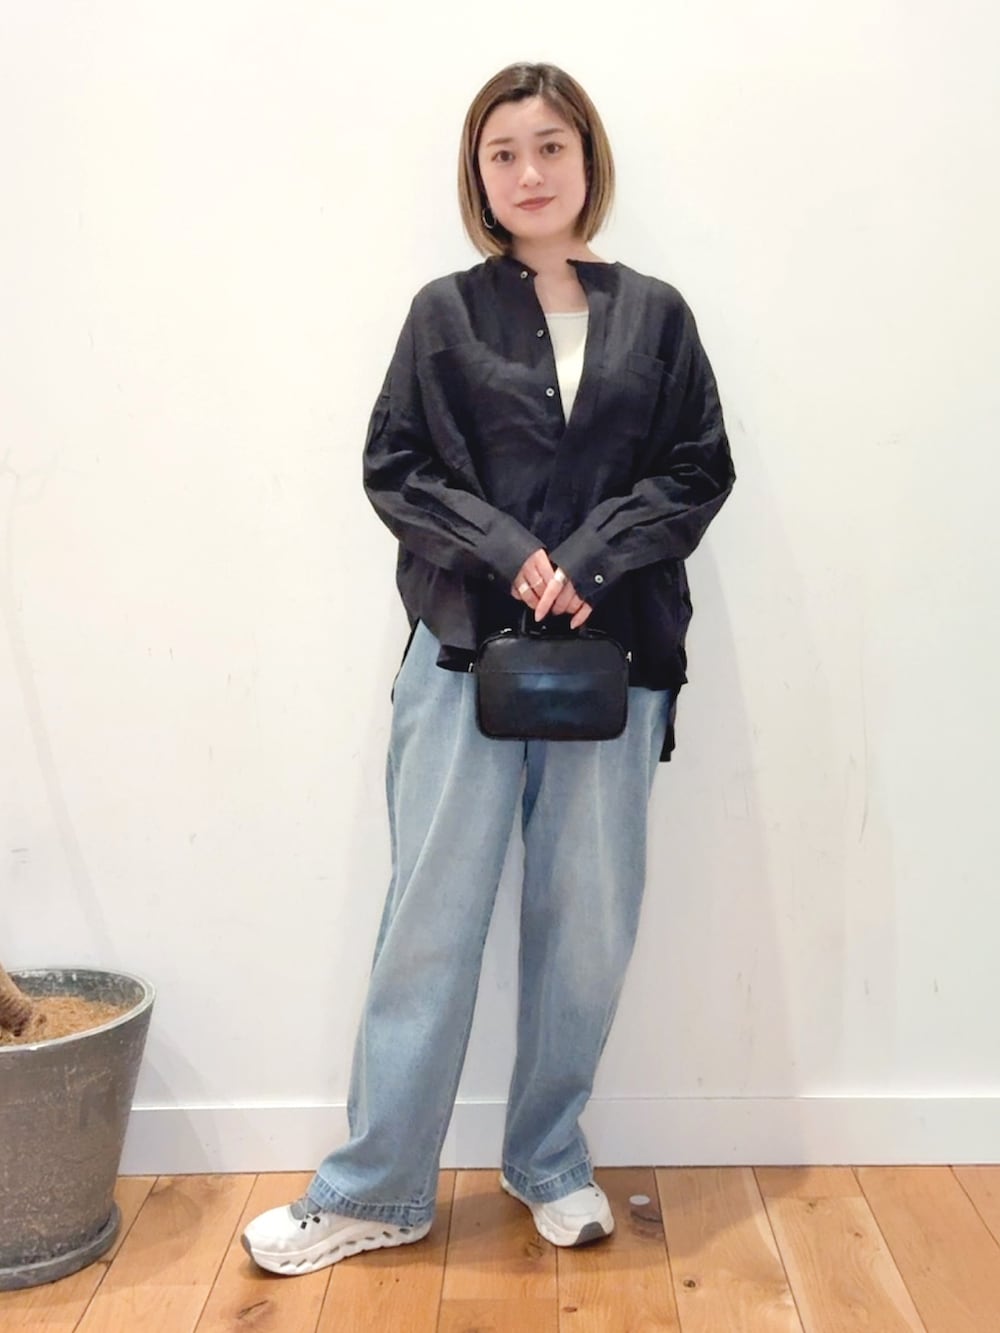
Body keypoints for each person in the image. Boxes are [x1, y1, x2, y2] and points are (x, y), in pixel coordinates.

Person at [242, 61, 734, 1276]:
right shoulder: (443, 315)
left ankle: (549, 1159)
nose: (528, 171)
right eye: (503, 151)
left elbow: (697, 467)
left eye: (550, 145)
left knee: (587, 928)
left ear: (587, 159)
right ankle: (375, 1188)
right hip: (464, 658)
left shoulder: (656, 316)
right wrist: (514, 554)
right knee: (429, 923)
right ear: (478, 172)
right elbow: (397, 465)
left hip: (616, 664)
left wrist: (593, 558)